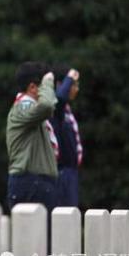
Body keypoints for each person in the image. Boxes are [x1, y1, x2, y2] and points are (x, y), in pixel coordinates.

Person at [5, 62, 58, 212]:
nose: (50, 90)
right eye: (45, 87)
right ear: (33, 87)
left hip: (37, 181)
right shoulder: (24, 107)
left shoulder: (30, 109)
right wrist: (48, 82)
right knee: (35, 235)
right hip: (31, 181)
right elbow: (47, 105)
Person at [49, 65, 82, 207]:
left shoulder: (67, 111)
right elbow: (59, 99)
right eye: (73, 85)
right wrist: (70, 77)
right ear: (60, 85)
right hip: (62, 172)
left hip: (71, 171)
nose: (76, 89)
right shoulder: (57, 109)